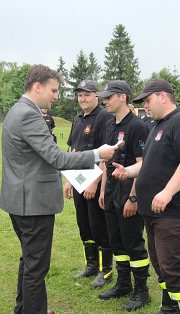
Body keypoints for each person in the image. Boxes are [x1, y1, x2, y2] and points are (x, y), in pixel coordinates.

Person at [0, 64, 118, 314]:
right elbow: (57, 158)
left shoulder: (19, 110)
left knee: (29, 259)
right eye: (53, 90)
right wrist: (97, 154)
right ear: (37, 87)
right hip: (32, 203)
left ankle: (25, 312)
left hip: (21, 199)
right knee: (36, 265)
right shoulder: (28, 115)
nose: (56, 96)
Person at [113, 79, 180, 314]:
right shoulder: (156, 125)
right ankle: (168, 311)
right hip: (153, 211)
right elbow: (150, 164)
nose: (144, 105)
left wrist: (167, 191)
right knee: (161, 265)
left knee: (174, 266)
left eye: (147, 100)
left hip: (177, 211)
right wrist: (128, 171)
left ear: (163, 96)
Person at [96, 80, 151, 311]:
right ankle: (123, 284)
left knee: (133, 242)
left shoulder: (137, 126)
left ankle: (142, 291)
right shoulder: (110, 124)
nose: (105, 100)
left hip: (129, 189)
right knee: (116, 240)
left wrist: (133, 197)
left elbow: (142, 164)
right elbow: (107, 162)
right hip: (111, 192)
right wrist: (103, 190)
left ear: (123, 97)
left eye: (109, 96)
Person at [64, 80, 114, 287]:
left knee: (98, 225)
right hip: (77, 179)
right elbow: (72, 151)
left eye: (87, 95)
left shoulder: (104, 118)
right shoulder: (77, 119)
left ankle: (106, 271)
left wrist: (95, 182)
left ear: (96, 96)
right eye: (80, 95)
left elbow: (107, 154)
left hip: (94, 179)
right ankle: (91, 265)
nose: (83, 99)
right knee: (84, 224)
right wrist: (67, 180)